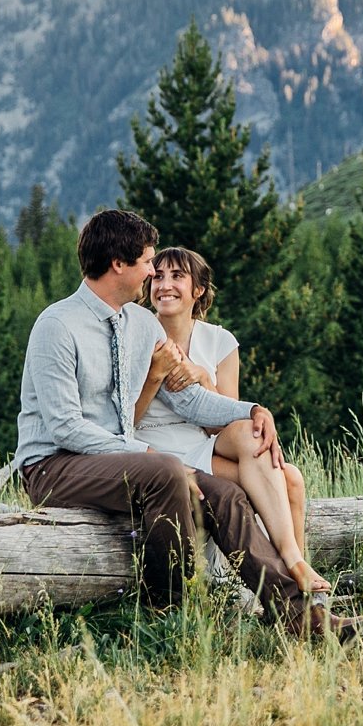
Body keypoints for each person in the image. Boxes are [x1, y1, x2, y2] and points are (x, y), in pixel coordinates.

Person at [15, 208, 357, 641]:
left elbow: (190, 400)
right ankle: (172, 614)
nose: (151, 274)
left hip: (121, 462)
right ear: (118, 265)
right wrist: (146, 455)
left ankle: (299, 618)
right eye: (146, 263)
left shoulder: (141, 324)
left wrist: (251, 410)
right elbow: (64, 427)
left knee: (227, 494)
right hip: (54, 466)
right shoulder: (57, 325)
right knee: (166, 470)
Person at [134, 246, 329, 594]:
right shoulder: (140, 333)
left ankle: (293, 560)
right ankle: (292, 575)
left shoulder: (219, 341)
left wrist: (203, 380)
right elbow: (125, 417)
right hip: (158, 445)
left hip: (204, 441)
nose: (165, 285)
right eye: (158, 276)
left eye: (177, 276)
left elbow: (221, 422)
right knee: (291, 480)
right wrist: (156, 372)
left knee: (250, 432)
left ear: (197, 290)